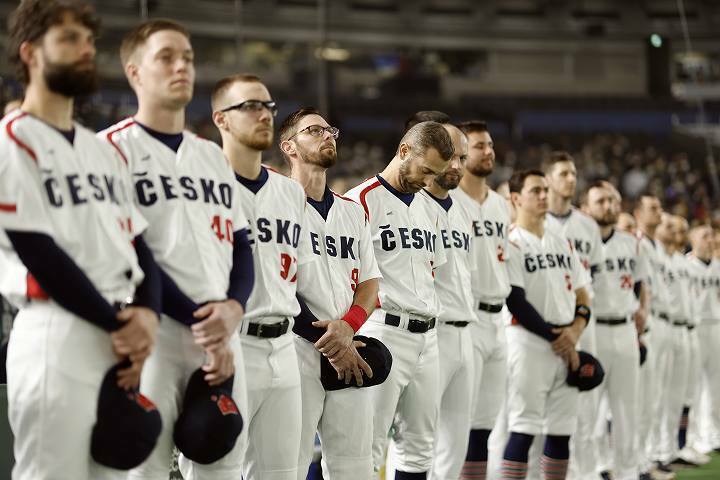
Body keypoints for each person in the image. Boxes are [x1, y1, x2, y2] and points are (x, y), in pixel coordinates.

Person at [1, 1, 161, 478]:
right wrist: (122, 326)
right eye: (69, 40)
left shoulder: (100, 149)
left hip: (117, 334)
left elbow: (139, 242)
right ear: (31, 54)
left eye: (89, 41)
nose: (86, 50)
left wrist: (148, 317)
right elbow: (38, 251)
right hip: (57, 329)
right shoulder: (13, 138)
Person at [101, 19, 253, 480]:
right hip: (155, 331)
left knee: (223, 465)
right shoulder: (109, 149)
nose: (181, 65)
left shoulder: (209, 155)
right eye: (165, 56)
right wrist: (206, 324)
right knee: (144, 469)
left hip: (223, 332)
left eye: (187, 57)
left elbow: (242, 245)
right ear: (134, 72)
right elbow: (129, 253)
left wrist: (232, 309)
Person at [211, 73, 307, 479]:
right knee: (218, 470)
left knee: (282, 472)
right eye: (250, 106)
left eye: (268, 106)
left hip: (284, 345)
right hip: (228, 345)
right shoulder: (203, 183)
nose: (264, 114)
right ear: (221, 119)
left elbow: (298, 278)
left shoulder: (290, 192)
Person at [345, 121, 453, 478]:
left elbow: (432, 274)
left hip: (428, 336)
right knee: (366, 447)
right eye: (426, 170)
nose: (428, 180)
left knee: (420, 447)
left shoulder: (432, 209)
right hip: (382, 329)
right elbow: (347, 279)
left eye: (435, 174)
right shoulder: (359, 201)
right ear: (404, 151)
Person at [280, 106, 381, 479]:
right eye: (314, 131)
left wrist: (349, 329)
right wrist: (332, 340)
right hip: (295, 346)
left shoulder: (352, 212)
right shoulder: (277, 202)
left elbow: (370, 282)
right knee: (286, 465)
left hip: (348, 347)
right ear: (288, 147)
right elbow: (276, 283)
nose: (327, 136)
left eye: (330, 131)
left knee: (355, 468)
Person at [500, 169, 590, 480]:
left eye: (544, 190)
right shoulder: (510, 241)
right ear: (515, 198)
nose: (543, 196)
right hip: (528, 341)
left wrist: (575, 331)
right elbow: (516, 300)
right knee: (523, 427)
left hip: (566, 341)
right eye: (535, 190)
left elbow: (583, 293)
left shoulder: (562, 242)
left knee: (561, 430)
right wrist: (560, 337)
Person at [409, 116, 477, 480]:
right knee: (415, 439)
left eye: (462, 158)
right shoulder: (413, 204)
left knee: (456, 440)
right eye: (450, 155)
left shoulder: (463, 209)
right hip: (430, 332)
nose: (456, 165)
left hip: (467, 331)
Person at [453, 120, 511, 480]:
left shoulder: (502, 205)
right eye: (479, 146)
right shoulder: (446, 200)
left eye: (490, 145)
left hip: (497, 317)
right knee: (457, 422)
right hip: (465, 316)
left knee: (485, 422)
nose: (488, 151)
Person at [544, 152, 604, 480]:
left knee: (585, 394)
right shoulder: (535, 219)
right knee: (542, 403)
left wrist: (581, 320)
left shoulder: (588, 225)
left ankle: (586, 471)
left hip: (581, 317)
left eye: (574, 173)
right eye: (564, 173)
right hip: (546, 318)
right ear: (549, 179)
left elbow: (590, 277)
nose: (571, 179)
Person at [582, 181, 647, 480]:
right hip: (592, 328)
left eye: (611, 200)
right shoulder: (578, 240)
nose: (608, 206)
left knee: (627, 408)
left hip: (624, 328)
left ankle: (628, 472)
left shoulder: (631, 242)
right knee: (589, 408)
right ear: (586, 208)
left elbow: (640, 281)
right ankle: (592, 470)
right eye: (600, 201)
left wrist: (643, 307)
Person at [634, 196, 675, 480]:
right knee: (643, 399)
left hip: (663, 322)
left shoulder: (656, 247)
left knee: (656, 397)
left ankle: (648, 456)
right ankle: (638, 459)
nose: (659, 212)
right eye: (653, 208)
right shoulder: (636, 242)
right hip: (647, 323)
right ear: (638, 213)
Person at [653, 213, 691, 472]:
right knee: (655, 396)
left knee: (673, 395)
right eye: (670, 227)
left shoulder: (677, 260)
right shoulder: (651, 253)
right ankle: (654, 452)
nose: (676, 233)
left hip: (679, 326)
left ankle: (667, 449)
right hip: (657, 323)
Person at [685, 225, 720, 455]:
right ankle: (694, 438)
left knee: (716, 386)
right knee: (694, 386)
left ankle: (715, 434)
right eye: (704, 236)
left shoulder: (718, 266)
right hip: (694, 327)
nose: (710, 240)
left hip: (716, 326)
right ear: (693, 239)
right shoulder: (685, 265)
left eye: (712, 236)